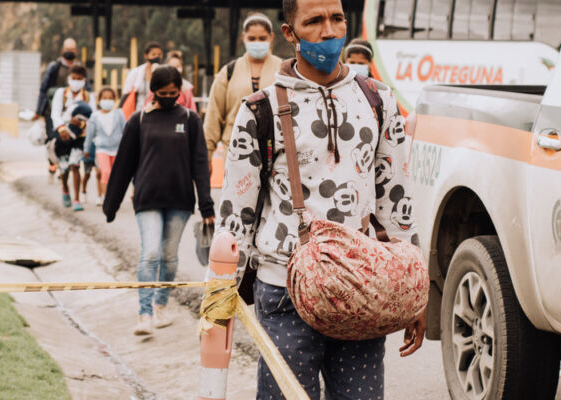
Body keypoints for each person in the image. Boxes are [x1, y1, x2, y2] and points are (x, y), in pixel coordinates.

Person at [216, 0, 423, 398]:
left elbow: (396, 198)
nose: (328, 31)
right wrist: (220, 296)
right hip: (283, 291)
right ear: (290, 33)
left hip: (363, 289)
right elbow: (235, 214)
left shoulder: (378, 100)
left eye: (337, 18)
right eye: (313, 21)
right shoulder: (258, 111)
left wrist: (415, 293)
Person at [103, 65, 214, 336]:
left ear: (180, 92)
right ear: (153, 91)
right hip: (147, 199)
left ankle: (161, 305)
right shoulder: (139, 120)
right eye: (162, 93)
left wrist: (206, 205)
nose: (168, 97)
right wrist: (111, 205)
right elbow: (123, 166)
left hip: (179, 201)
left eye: (173, 93)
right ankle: (144, 313)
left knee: (169, 258)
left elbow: (200, 163)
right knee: (150, 254)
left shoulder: (190, 119)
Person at [203, 12, 283, 163]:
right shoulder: (228, 71)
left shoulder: (283, 69)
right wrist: (207, 151)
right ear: (243, 38)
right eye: (252, 38)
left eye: (262, 38)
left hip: (275, 152)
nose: (257, 42)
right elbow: (214, 115)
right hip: (235, 151)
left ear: (271, 37)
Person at [37, 38, 81, 181]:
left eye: (72, 49)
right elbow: (44, 89)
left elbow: (86, 89)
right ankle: (53, 165)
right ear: (63, 50)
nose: (70, 51)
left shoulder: (79, 69)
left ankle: (64, 167)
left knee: (69, 139)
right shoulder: (54, 67)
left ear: (76, 51)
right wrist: (39, 110)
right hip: (52, 111)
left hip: (72, 111)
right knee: (52, 139)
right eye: (67, 48)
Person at [85, 87, 125, 206]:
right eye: (104, 98)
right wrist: (86, 149)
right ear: (99, 100)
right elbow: (90, 134)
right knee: (106, 172)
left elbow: (126, 131)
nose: (107, 101)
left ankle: (114, 197)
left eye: (110, 98)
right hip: (102, 149)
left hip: (117, 149)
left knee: (115, 175)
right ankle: (106, 198)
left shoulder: (119, 114)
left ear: (114, 100)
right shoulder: (95, 116)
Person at [52, 102, 93, 212]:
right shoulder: (62, 95)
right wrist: (66, 124)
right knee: (64, 169)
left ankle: (76, 199)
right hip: (63, 140)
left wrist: (81, 125)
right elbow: (55, 116)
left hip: (79, 141)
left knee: (75, 166)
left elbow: (93, 119)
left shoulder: (88, 97)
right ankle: (65, 188)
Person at [121, 42, 164, 116]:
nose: (157, 57)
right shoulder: (136, 72)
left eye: (159, 54)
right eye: (153, 54)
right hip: (139, 112)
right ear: (146, 56)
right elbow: (126, 93)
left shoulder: (164, 72)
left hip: (159, 113)